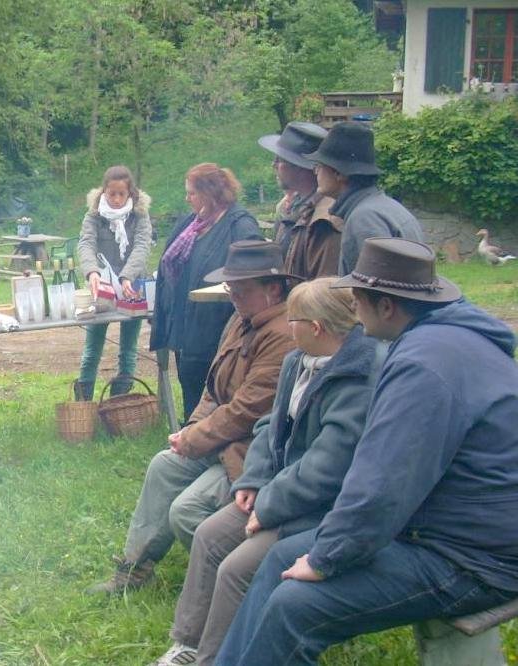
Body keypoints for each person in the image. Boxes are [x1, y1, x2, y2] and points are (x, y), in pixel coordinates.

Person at [215, 238, 518, 665]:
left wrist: (326, 558)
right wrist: (326, 547)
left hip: (476, 559)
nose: (352, 308)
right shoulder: (441, 339)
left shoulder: (422, 366)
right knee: (282, 553)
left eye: (357, 298)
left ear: (387, 306)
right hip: (446, 530)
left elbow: (383, 485)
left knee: (296, 605)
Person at [151, 278, 385, 666]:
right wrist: (254, 479)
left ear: (316, 328)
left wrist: (269, 504)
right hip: (277, 491)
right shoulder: (298, 361)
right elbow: (268, 426)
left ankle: (214, 658)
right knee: (208, 536)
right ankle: (187, 643)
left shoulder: (357, 378)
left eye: (293, 319)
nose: (285, 326)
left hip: (320, 508)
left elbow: (327, 468)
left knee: (235, 569)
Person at [89, 240, 295, 594]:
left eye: (241, 288)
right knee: (164, 465)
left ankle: (240, 586)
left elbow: (247, 410)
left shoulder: (283, 336)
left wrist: (195, 439)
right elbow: (213, 388)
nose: (233, 295)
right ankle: (135, 569)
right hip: (224, 438)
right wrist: (191, 429)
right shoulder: (242, 319)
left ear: (273, 289)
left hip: (252, 451)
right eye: (230, 287)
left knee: (186, 510)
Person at [149, 164, 261, 421]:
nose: (187, 198)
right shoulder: (191, 223)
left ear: (210, 193)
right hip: (187, 329)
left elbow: (253, 275)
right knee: (191, 392)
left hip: (219, 331)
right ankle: (190, 436)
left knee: (219, 397)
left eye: (192, 193)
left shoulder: (239, 225)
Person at [74, 165, 152, 400]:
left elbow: (142, 246)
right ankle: (84, 403)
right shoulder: (94, 215)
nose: (117, 199)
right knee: (92, 348)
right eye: (112, 194)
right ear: (104, 192)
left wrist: (127, 276)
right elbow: (86, 243)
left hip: (132, 286)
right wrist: (92, 272)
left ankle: (119, 402)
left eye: (122, 194)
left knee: (128, 349)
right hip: (102, 287)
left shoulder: (140, 214)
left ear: (130, 193)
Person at [305, 121, 424, 275]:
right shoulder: (386, 208)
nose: (316, 172)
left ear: (339, 173)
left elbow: (372, 286)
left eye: (319, 166)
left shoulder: (363, 219)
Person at [258, 122, 344, 279]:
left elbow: (324, 286)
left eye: (279, 159)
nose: (273, 165)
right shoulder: (293, 206)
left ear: (299, 166)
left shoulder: (325, 220)